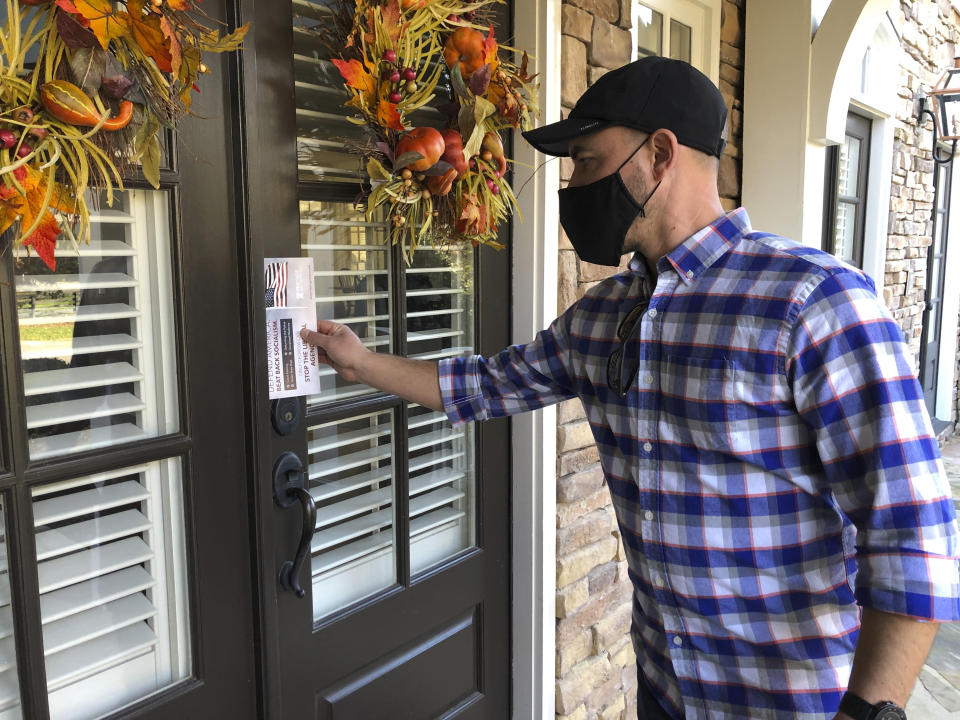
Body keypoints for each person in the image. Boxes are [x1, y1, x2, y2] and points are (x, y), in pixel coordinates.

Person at [301, 57, 960, 720]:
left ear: (661, 153)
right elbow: (485, 385)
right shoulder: (603, 317)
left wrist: (870, 712)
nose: (574, 185)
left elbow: (911, 529)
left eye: (587, 160)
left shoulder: (813, 301)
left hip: (799, 705)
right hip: (668, 696)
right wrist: (360, 363)